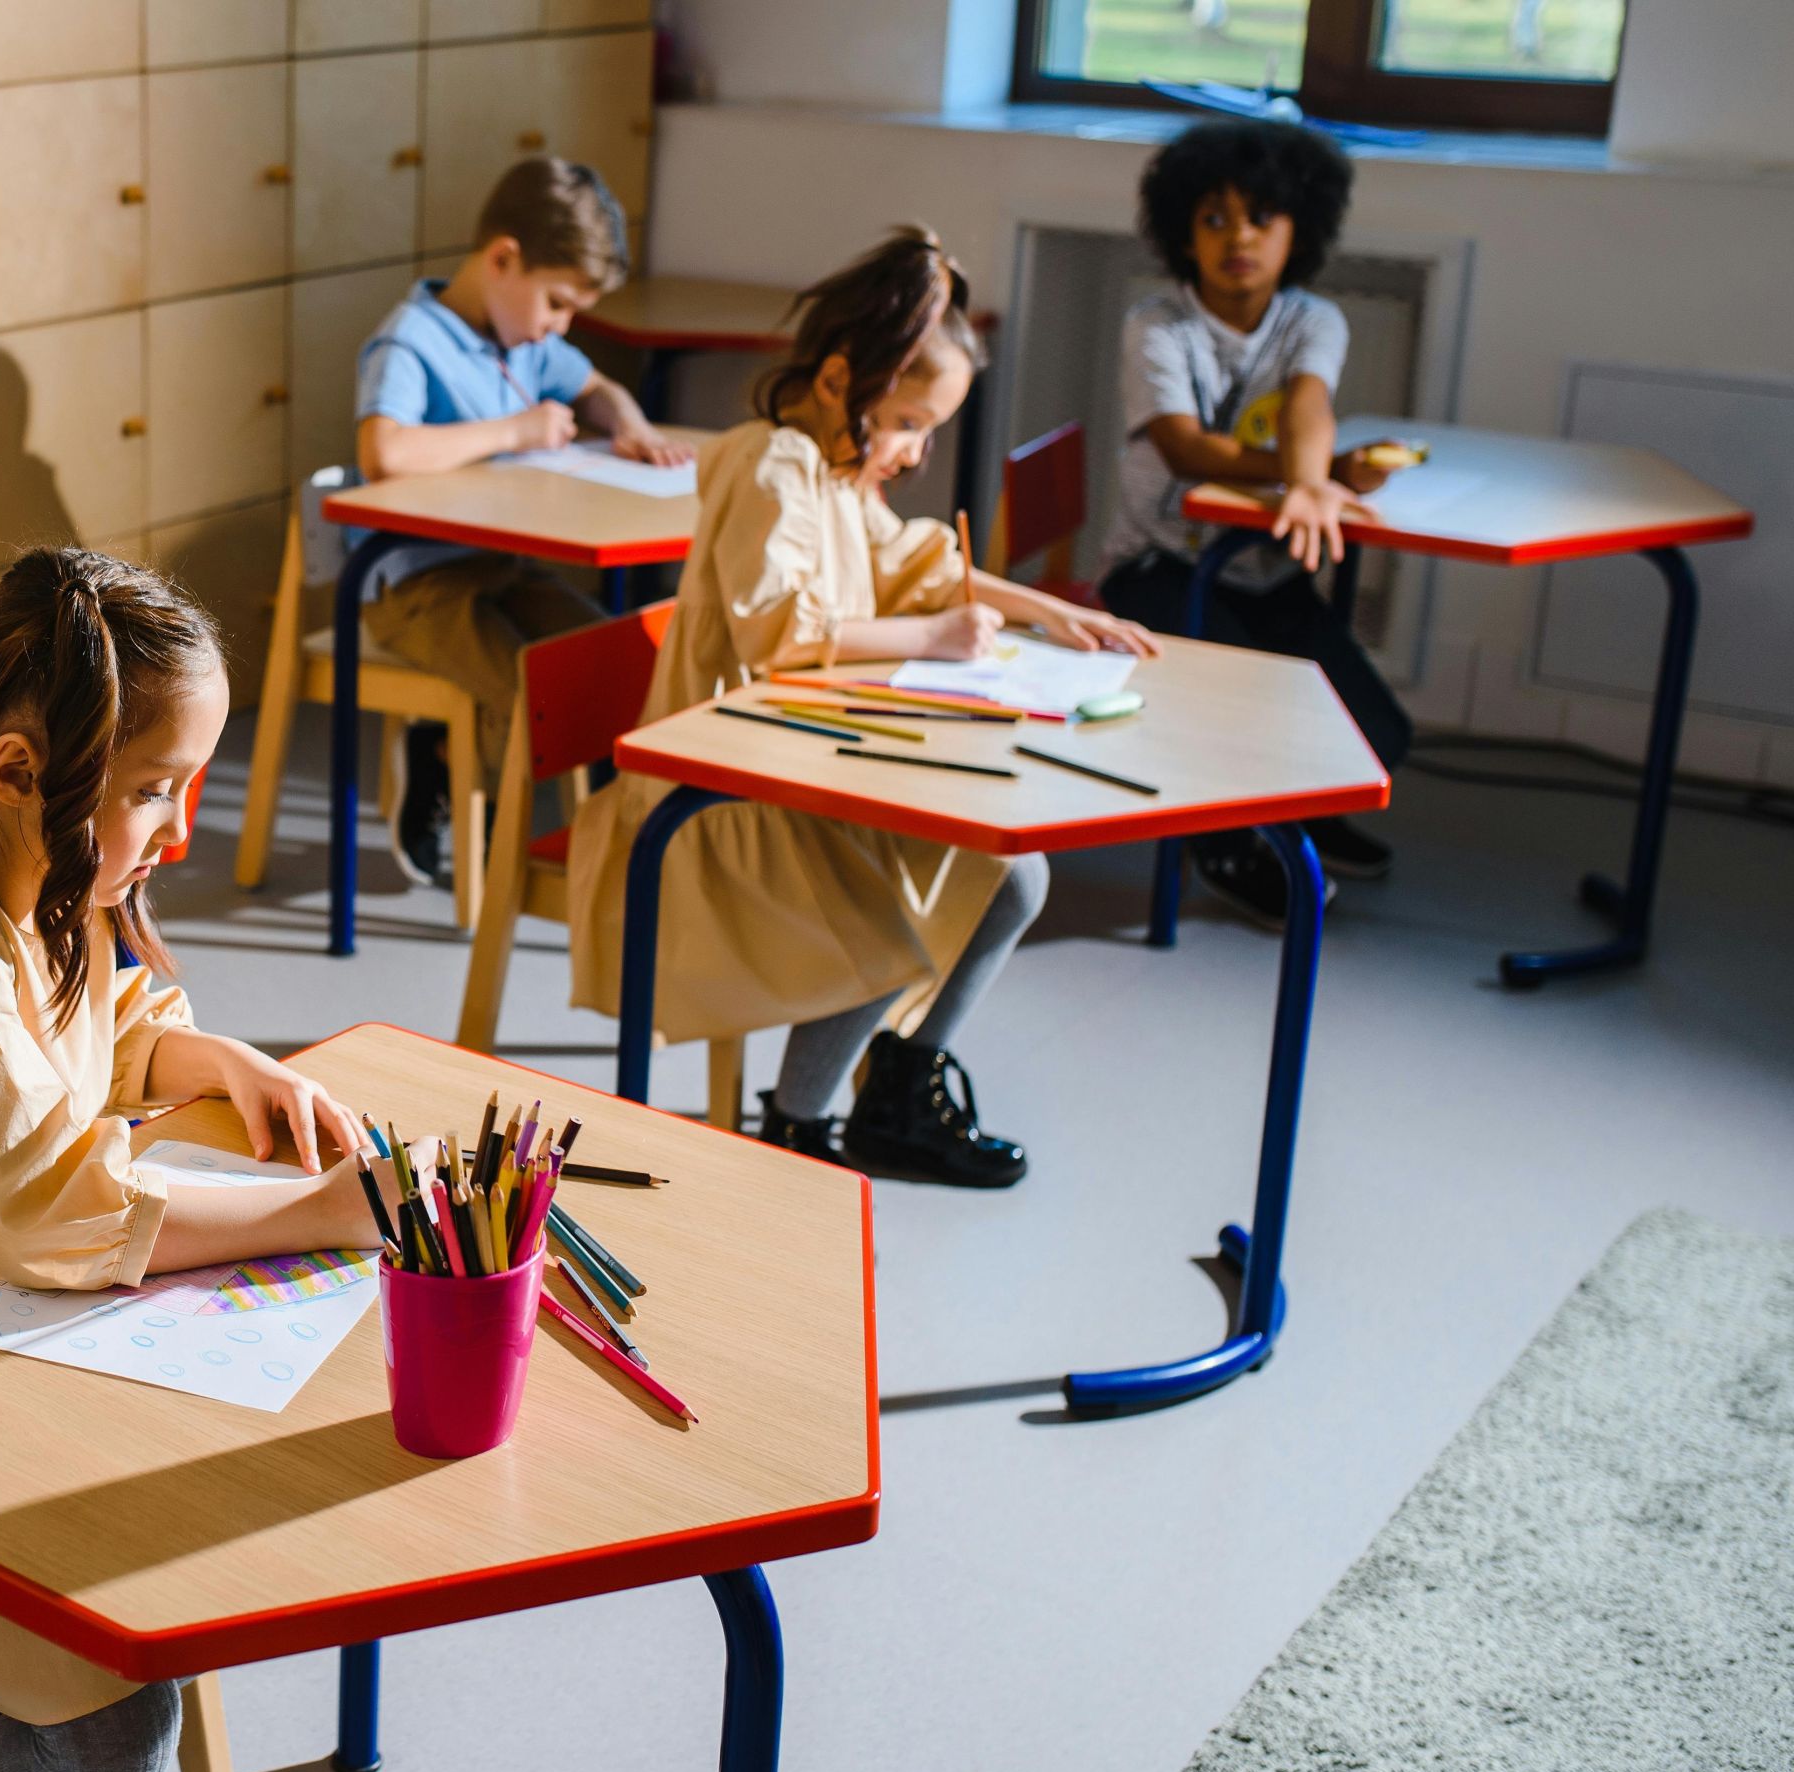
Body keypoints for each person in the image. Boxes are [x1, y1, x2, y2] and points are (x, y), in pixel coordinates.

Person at [0, 548, 410, 1772]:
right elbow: (50, 1211)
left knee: (164, 1560)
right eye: (154, 790)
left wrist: (208, 1055)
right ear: (18, 771)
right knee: (117, 1702)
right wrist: (326, 1210)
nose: (179, 830)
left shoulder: (30, 876)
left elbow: (75, 1030)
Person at [566, 230, 1160, 1186]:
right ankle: (795, 1129)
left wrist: (1042, 609)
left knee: (1012, 876)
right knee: (891, 915)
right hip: (716, 800)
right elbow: (779, 628)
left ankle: (898, 1090)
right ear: (841, 379)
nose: (917, 452)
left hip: (794, 768)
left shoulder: (834, 471)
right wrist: (931, 636)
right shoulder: (770, 466)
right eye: (909, 422)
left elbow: (911, 561)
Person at [1098, 119, 1414, 930]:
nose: (1238, 237)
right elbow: (1183, 447)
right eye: (1214, 219)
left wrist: (1314, 480)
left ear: (1297, 231)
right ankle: (1228, 844)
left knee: (1378, 731)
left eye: (1260, 218)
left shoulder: (1314, 318)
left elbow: (1310, 402)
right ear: (1183, 235)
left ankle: (1298, 814)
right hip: (1155, 567)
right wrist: (1315, 474)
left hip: (1260, 569)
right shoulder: (1157, 324)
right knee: (1244, 714)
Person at [355, 156, 693, 886]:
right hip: (415, 584)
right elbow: (384, 450)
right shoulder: (411, 339)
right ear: (503, 259)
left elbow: (596, 385)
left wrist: (630, 425)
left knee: (612, 661)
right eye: (558, 304)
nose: (561, 327)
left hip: (500, 567)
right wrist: (513, 430)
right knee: (527, 694)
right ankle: (451, 779)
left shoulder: (522, 339)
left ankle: (607, 842)